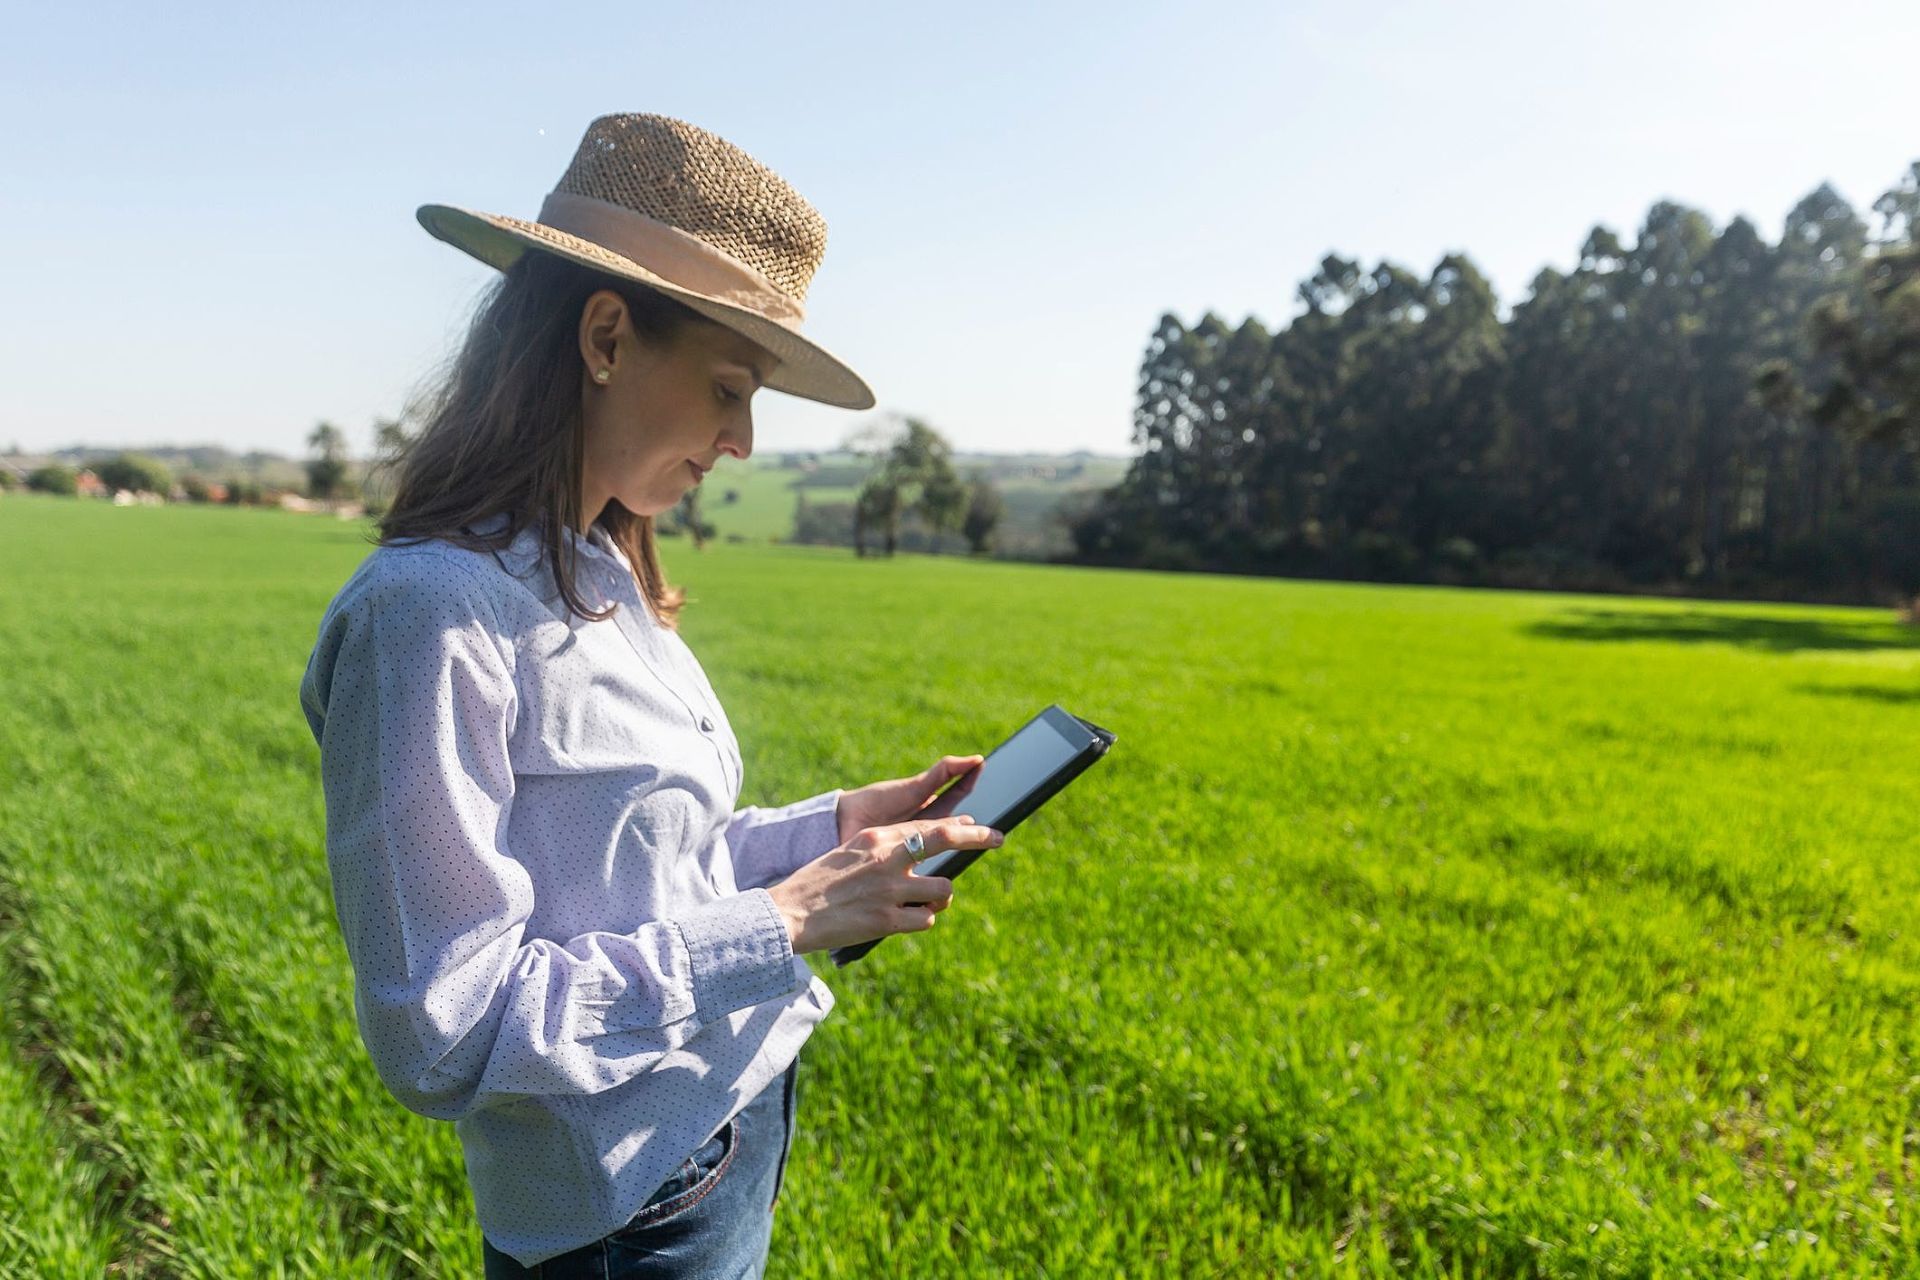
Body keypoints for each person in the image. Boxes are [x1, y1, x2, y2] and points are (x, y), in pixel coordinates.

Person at [297, 113, 1004, 1278]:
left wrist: (829, 833)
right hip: (625, 1213)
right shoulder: (430, 614)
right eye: (730, 386)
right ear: (608, 335)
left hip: (717, 1136)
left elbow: (646, 874)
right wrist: (784, 922)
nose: (743, 440)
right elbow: (446, 1026)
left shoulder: (597, 566)